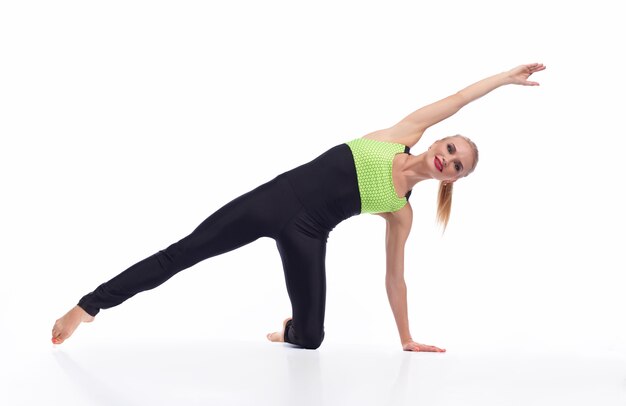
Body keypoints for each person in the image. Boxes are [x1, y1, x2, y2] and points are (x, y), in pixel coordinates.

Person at [51, 63, 545, 351]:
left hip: (308, 234)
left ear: (453, 180)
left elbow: (395, 279)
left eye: (458, 167)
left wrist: (407, 338)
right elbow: (458, 98)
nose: (449, 160)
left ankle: (289, 328)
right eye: (453, 149)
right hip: (272, 200)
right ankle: (88, 307)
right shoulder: (401, 135)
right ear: (441, 140)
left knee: (310, 340)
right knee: (185, 252)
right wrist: (504, 79)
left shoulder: (401, 210)